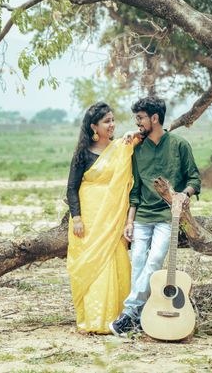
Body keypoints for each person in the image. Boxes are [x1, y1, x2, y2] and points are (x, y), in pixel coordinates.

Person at [110, 96, 201, 337]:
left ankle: (129, 313)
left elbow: (194, 179)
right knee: (138, 262)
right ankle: (140, 316)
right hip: (142, 217)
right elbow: (135, 188)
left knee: (154, 261)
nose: (137, 122)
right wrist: (130, 220)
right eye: (136, 119)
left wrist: (183, 194)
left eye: (140, 118)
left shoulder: (179, 145)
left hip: (166, 217)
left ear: (154, 118)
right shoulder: (137, 148)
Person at [65, 102, 139, 334]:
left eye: (113, 120)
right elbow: (71, 188)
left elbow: (138, 139)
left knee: (116, 261)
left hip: (113, 217)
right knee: (91, 265)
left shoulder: (120, 147)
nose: (112, 124)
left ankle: (119, 318)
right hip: (88, 218)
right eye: (107, 121)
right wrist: (76, 217)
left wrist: (130, 138)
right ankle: (94, 319)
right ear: (94, 127)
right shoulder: (83, 154)